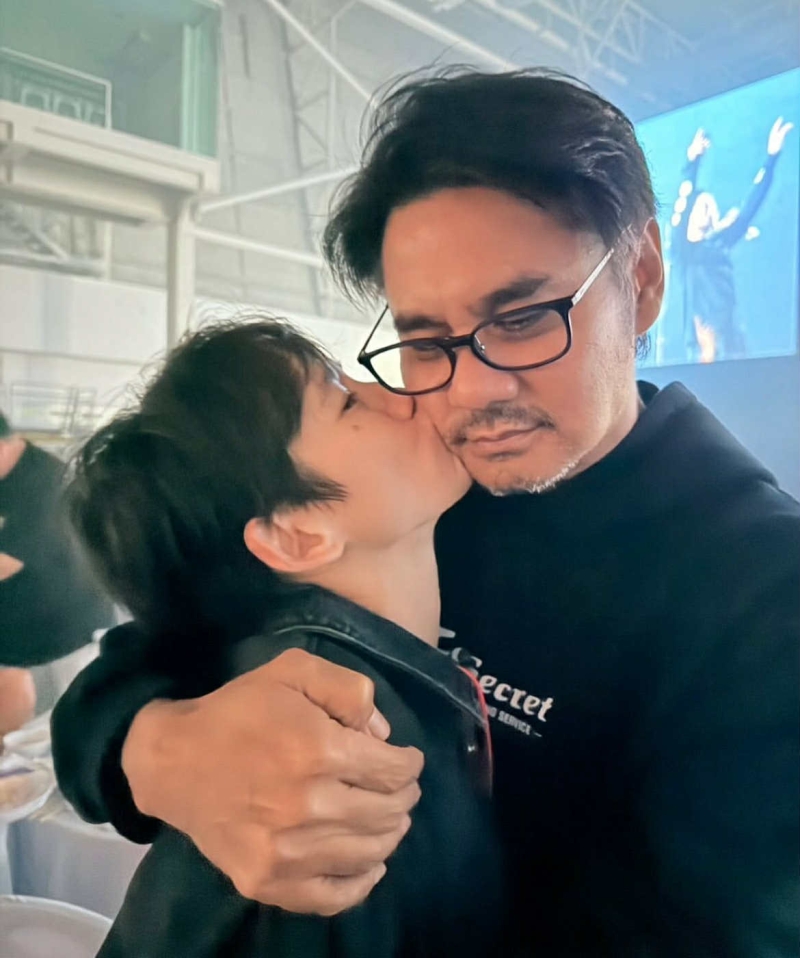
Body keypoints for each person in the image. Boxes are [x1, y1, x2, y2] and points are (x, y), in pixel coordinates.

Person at [52, 69, 799, 957]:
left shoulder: (761, 591)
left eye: (522, 319)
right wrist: (165, 753)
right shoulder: (422, 490)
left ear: (640, 278)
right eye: (426, 341)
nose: (470, 391)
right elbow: (122, 676)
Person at [62, 319, 502, 957]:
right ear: (296, 535)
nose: (399, 393)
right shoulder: (320, 749)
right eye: (346, 402)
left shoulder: (352, 673)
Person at [670, 118, 794, 362]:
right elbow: (683, 201)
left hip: (732, 336)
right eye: (703, 205)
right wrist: (693, 162)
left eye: (711, 206)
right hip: (704, 345)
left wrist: (772, 157)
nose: (709, 209)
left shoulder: (720, 242)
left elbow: (751, 205)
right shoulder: (684, 250)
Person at [0, 409, 114, 667]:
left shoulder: (48, 487)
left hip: (62, 645)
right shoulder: (6, 473)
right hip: (20, 644)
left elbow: (5, 564)